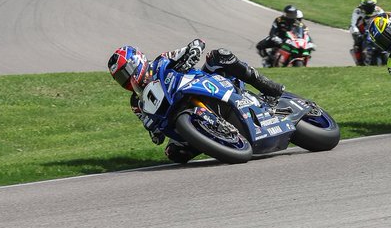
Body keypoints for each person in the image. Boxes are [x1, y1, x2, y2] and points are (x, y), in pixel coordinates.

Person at [108, 39, 283, 162]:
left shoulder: (161, 61)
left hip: (204, 84)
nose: (125, 80)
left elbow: (196, 44)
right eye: (120, 79)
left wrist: (192, 52)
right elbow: (154, 134)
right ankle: (216, 139)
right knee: (173, 153)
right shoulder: (136, 103)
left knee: (220, 55)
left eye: (125, 73)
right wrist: (154, 131)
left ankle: (270, 89)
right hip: (179, 115)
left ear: (136, 61)